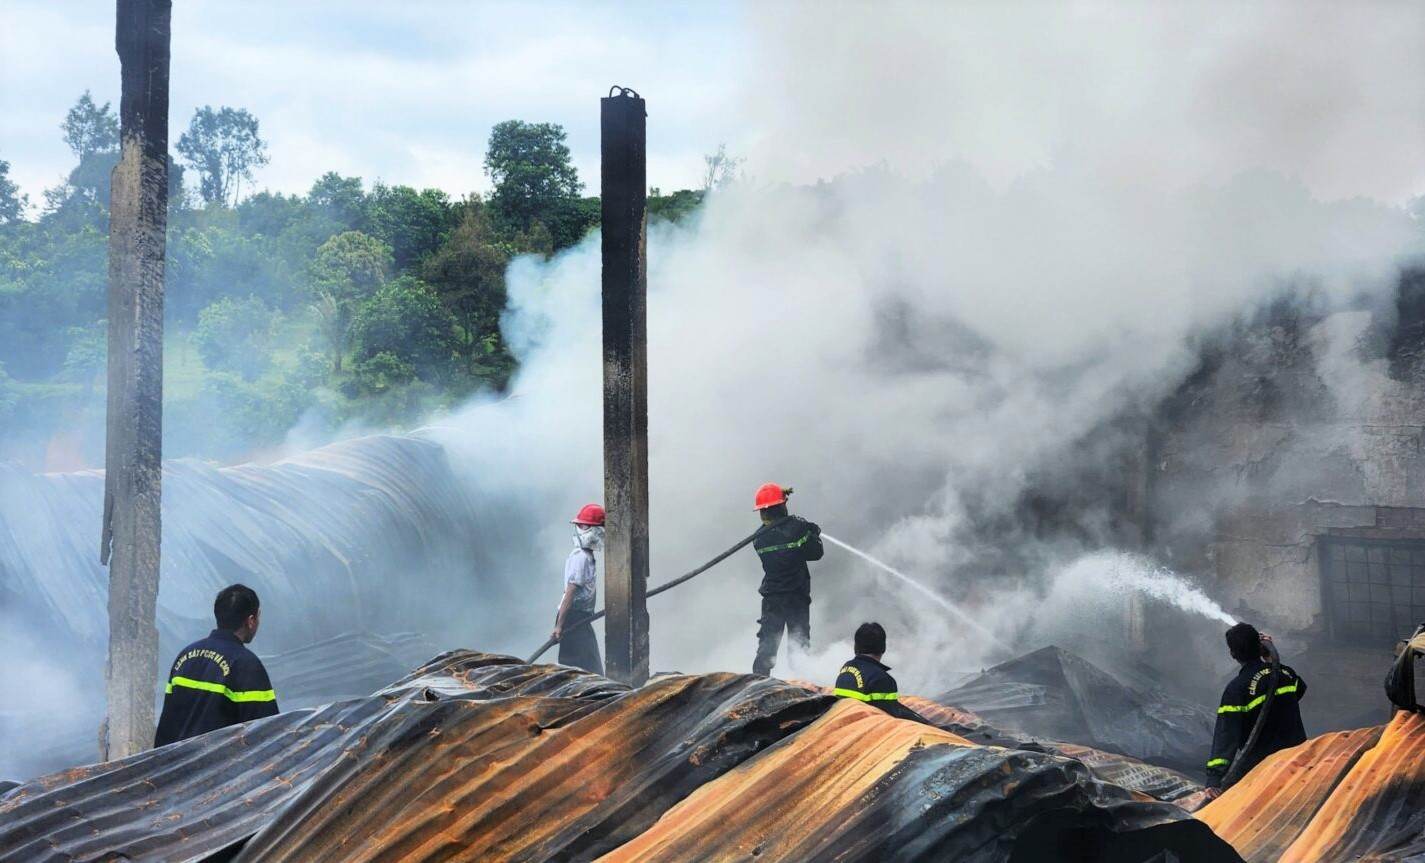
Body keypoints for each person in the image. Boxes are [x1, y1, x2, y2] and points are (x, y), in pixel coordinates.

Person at [154, 584, 279, 747]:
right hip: (219, 769)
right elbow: (269, 732)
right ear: (250, 621)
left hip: (176, 766)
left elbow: (168, 722)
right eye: (258, 617)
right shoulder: (246, 665)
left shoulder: (185, 656)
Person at [1204, 622, 1307, 793]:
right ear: (1260, 647)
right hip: (1300, 761)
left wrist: (1213, 779)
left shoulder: (1236, 689)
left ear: (1232, 654)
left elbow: (1226, 736)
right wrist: (1270, 659)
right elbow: (1300, 690)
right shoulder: (1284, 674)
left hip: (1263, 771)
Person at [751, 482, 824, 676]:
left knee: (767, 647)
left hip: (772, 598)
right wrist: (813, 534)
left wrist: (803, 529)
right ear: (782, 506)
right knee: (799, 647)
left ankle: (758, 685)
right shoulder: (798, 528)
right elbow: (816, 553)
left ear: (764, 512)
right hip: (796, 596)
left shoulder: (758, 538)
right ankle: (801, 686)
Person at [832, 622, 930, 723]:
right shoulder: (882, 680)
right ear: (883, 647)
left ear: (855, 647)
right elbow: (892, 720)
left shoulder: (846, 669)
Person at [553, 503, 605, 675]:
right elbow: (570, 593)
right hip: (573, 618)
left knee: (591, 667)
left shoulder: (587, 556)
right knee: (577, 670)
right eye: (581, 526)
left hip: (581, 618)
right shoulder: (580, 557)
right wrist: (560, 626)